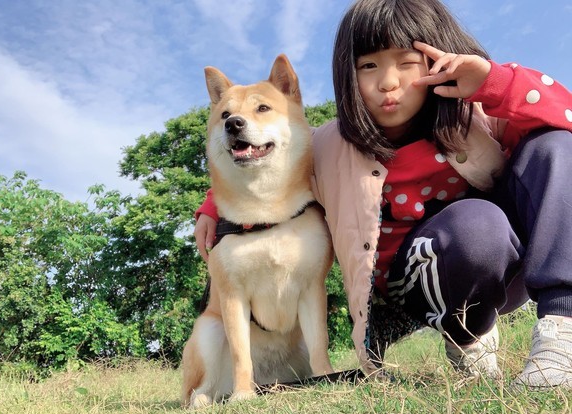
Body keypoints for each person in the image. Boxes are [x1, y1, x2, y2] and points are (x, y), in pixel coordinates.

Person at [194, 0, 572, 388]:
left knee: (555, 144)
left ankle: (561, 329)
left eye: (407, 62)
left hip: (509, 266)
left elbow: (566, 121)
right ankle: (467, 336)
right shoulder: (328, 147)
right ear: (347, 74)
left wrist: (494, 82)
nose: (388, 82)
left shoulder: (476, 116)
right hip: (407, 288)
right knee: (476, 225)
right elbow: (271, 170)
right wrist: (212, 205)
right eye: (368, 66)